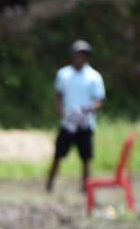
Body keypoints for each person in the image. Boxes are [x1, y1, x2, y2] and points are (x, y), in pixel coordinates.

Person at [46, 40, 107, 195]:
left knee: (86, 157)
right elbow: (58, 95)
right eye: (77, 55)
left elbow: (99, 100)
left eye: (83, 55)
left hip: (86, 122)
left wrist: (88, 109)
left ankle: (85, 187)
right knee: (58, 154)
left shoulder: (94, 77)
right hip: (68, 122)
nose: (80, 58)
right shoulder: (64, 74)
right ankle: (49, 184)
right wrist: (61, 111)